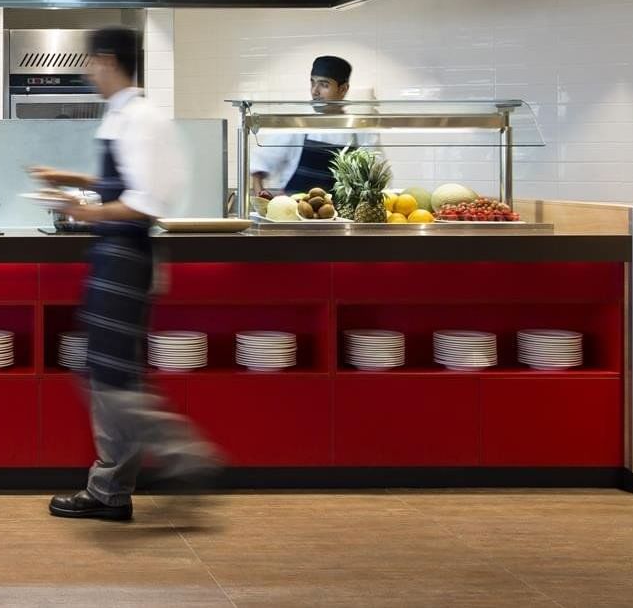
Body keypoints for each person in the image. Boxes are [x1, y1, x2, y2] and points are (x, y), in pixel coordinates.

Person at [29, 26, 218, 522]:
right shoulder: (125, 114)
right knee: (109, 372)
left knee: (108, 376)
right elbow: (126, 181)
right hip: (116, 257)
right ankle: (111, 488)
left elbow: (144, 202)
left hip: (126, 257)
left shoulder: (141, 118)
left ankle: (182, 452)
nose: (88, 71)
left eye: (91, 62)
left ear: (108, 60)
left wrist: (86, 213)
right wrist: (70, 180)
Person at [249, 55, 376, 196]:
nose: (315, 91)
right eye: (313, 83)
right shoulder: (299, 124)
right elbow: (259, 163)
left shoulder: (358, 131)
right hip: (295, 213)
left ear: (343, 89)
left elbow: (375, 176)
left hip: (340, 216)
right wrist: (262, 201)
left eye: (324, 85)